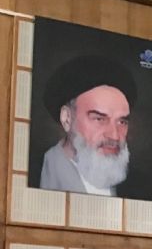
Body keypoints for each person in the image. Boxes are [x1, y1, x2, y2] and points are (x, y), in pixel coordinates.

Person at [39, 54, 136, 196]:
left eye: (121, 122)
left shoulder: (133, 183)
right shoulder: (43, 171)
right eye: (99, 119)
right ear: (67, 119)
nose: (114, 135)